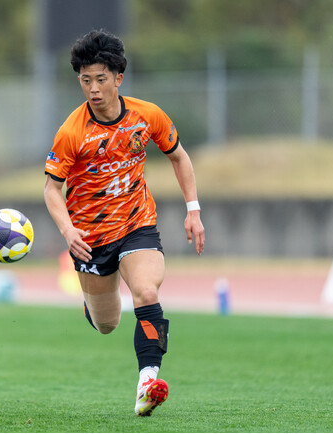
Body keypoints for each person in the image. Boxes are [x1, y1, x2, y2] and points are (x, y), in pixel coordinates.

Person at [43, 29, 205, 417]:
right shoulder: (72, 132)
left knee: (146, 293)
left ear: (118, 77)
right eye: (85, 80)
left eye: (100, 79)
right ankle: (93, 304)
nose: (93, 89)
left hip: (137, 224)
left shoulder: (146, 116)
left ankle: (148, 383)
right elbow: (51, 189)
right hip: (90, 238)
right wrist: (68, 230)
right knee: (107, 324)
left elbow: (179, 157)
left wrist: (193, 210)